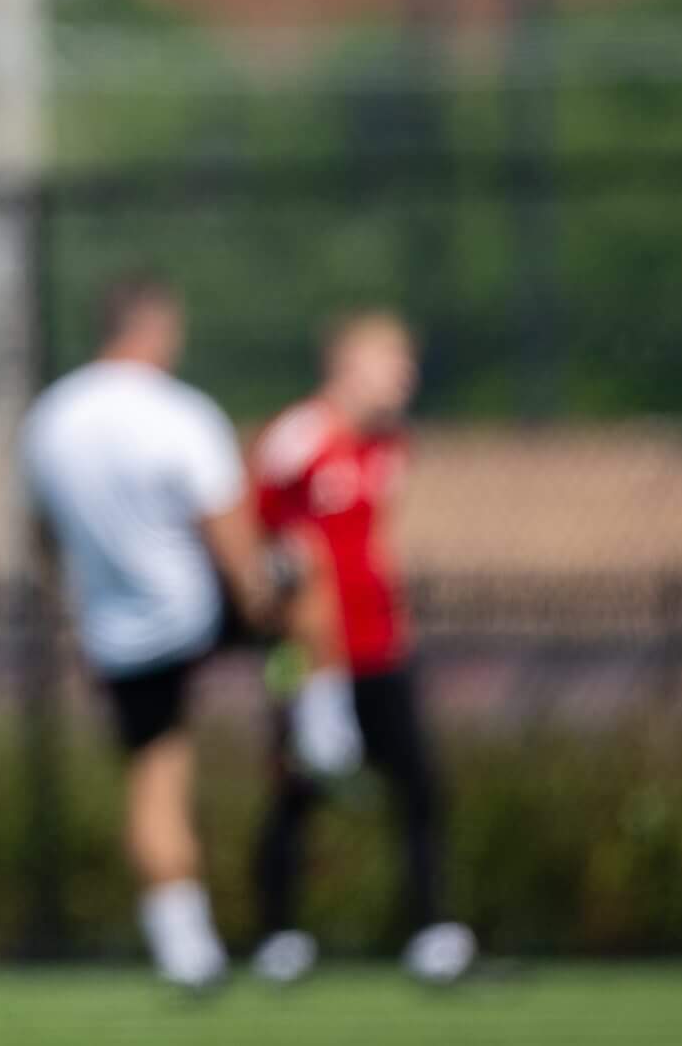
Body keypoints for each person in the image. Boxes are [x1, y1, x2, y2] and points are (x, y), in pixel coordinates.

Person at [23, 275, 282, 990]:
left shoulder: (51, 417)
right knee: (307, 573)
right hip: (194, 614)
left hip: (114, 632)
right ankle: (323, 713)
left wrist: (73, 606)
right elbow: (228, 530)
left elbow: (42, 533)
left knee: (154, 777)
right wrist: (264, 605)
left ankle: (184, 944)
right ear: (156, 329)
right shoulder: (179, 413)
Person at [249, 311, 475, 986]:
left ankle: (432, 930)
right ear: (346, 364)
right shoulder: (297, 440)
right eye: (391, 361)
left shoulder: (387, 447)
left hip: (380, 649)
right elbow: (267, 541)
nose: (405, 376)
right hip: (314, 656)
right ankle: (278, 935)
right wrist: (302, 656)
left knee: (420, 785)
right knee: (297, 790)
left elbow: (373, 543)